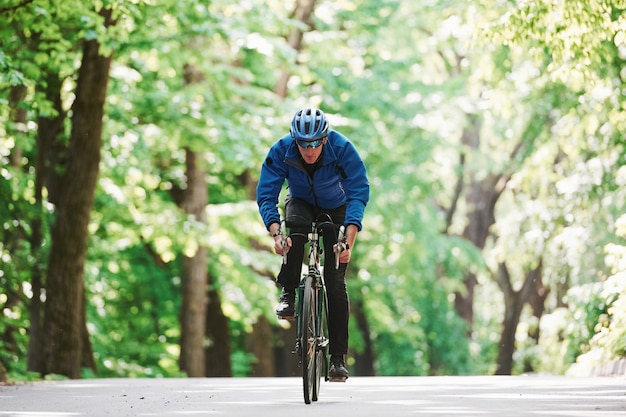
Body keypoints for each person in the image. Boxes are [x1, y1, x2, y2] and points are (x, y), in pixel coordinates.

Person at [256, 107, 370, 381]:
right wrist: (275, 233)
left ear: (325, 139)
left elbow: (358, 192)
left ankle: (338, 359)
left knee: (335, 281)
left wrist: (348, 241)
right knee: (293, 233)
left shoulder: (343, 149)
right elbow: (266, 194)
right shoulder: (282, 150)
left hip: (337, 208)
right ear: (294, 140)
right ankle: (288, 295)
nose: (309, 149)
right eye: (303, 143)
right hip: (301, 203)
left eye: (315, 142)